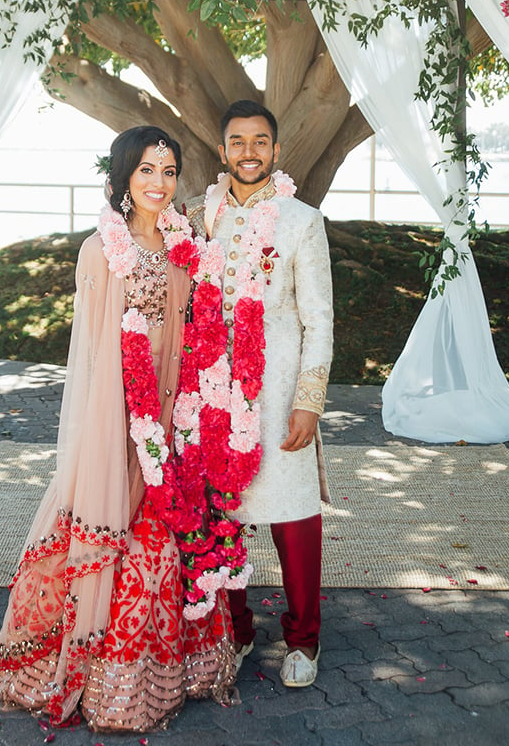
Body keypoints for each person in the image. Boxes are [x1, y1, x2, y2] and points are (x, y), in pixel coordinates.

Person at [0, 126, 234, 732]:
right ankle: (99, 680)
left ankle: (172, 670)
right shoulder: (102, 249)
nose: (159, 183)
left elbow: (196, 326)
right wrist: (114, 430)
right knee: (112, 533)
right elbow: (93, 352)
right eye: (147, 170)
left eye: (170, 171)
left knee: (167, 539)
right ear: (125, 176)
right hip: (119, 417)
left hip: (177, 416)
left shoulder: (186, 242)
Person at [185, 100, 333, 689]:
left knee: (291, 512)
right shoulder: (199, 217)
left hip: (278, 388)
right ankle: (236, 627)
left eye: (260, 141)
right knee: (224, 512)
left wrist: (310, 400)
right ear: (223, 152)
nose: (249, 151)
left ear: (276, 149)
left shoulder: (303, 221)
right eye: (238, 142)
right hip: (212, 389)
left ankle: (303, 638)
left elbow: (319, 319)